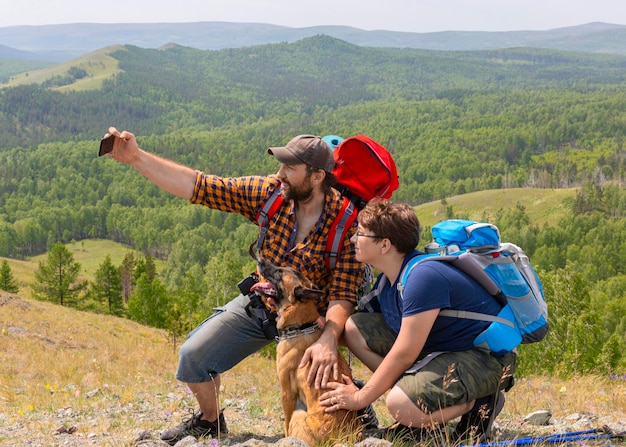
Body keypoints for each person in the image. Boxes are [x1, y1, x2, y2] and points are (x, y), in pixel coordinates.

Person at [103, 128, 367, 445]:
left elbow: (344, 292)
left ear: (317, 176)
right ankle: (209, 421)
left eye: (289, 169)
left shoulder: (347, 223)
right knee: (192, 357)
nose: (278, 174)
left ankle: (361, 406)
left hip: (311, 325)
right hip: (263, 308)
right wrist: (136, 158)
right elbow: (199, 186)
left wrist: (328, 339)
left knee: (317, 416)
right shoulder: (271, 194)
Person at [320, 199, 516, 442]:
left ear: (384, 245)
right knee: (354, 329)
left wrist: (360, 398)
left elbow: (405, 352)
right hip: (446, 352)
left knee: (399, 404)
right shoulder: (389, 281)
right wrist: (321, 332)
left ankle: (479, 402)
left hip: (487, 359)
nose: (352, 240)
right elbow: (353, 324)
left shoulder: (422, 278)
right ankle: (418, 405)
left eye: (360, 233)